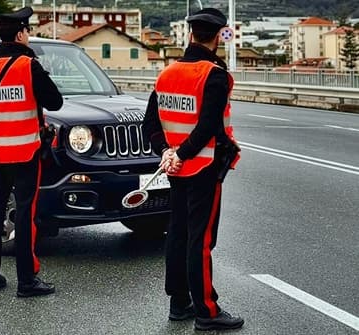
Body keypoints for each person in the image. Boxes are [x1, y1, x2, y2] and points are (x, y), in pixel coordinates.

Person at [142, 8, 244, 331]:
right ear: (216, 38)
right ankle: (207, 311)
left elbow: (150, 125)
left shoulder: (166, 74)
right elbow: (208, 128)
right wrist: (182, 154)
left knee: (178, 234)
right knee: (200, 240)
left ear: (190, 36)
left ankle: (179, 303)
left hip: (176, 169)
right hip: (203, 169)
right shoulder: (213, 75)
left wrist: (166, 152)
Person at [0, 6, 63, 298]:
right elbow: (56, 102)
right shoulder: (29, 66)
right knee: (26, 213)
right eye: (28, 31)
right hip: (26, 151)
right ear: (21, 33)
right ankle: (27, 279)